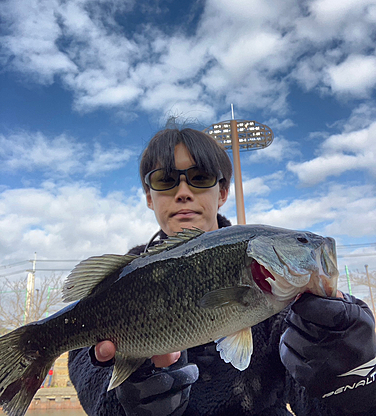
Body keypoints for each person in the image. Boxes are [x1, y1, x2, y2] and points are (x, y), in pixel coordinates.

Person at [69, 127, 376, 415]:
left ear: (224, 191)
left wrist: (348, 375)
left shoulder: (286, 300)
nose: (183, 192)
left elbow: (311, 398)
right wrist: (127, 404)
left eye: (200, 177)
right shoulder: (116, 283)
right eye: (165, 180)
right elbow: (88, 370)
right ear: (150, 197)